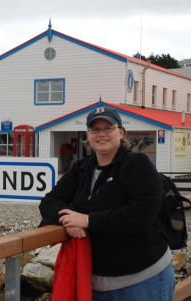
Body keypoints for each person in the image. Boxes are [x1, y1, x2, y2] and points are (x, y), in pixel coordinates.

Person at [39, 106, 174, 301]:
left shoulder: (137, 164)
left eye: (108, 128)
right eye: (95, 129)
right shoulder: (80, 168)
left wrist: (87, 220)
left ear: (120, 132)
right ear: (88, 135)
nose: (101, 134)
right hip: (95, 282)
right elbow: (48, 202)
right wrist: (69, 219)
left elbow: (140, 214)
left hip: (142, 279)